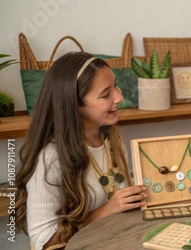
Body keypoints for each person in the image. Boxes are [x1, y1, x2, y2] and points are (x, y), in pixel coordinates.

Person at [15, 52, 147, 249]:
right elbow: (46, 240)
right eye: (106, 94)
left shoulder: (112, 138)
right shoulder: (50, 157)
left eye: (116, 86)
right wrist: (105, 211)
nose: (119, 97)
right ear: (74, 105)